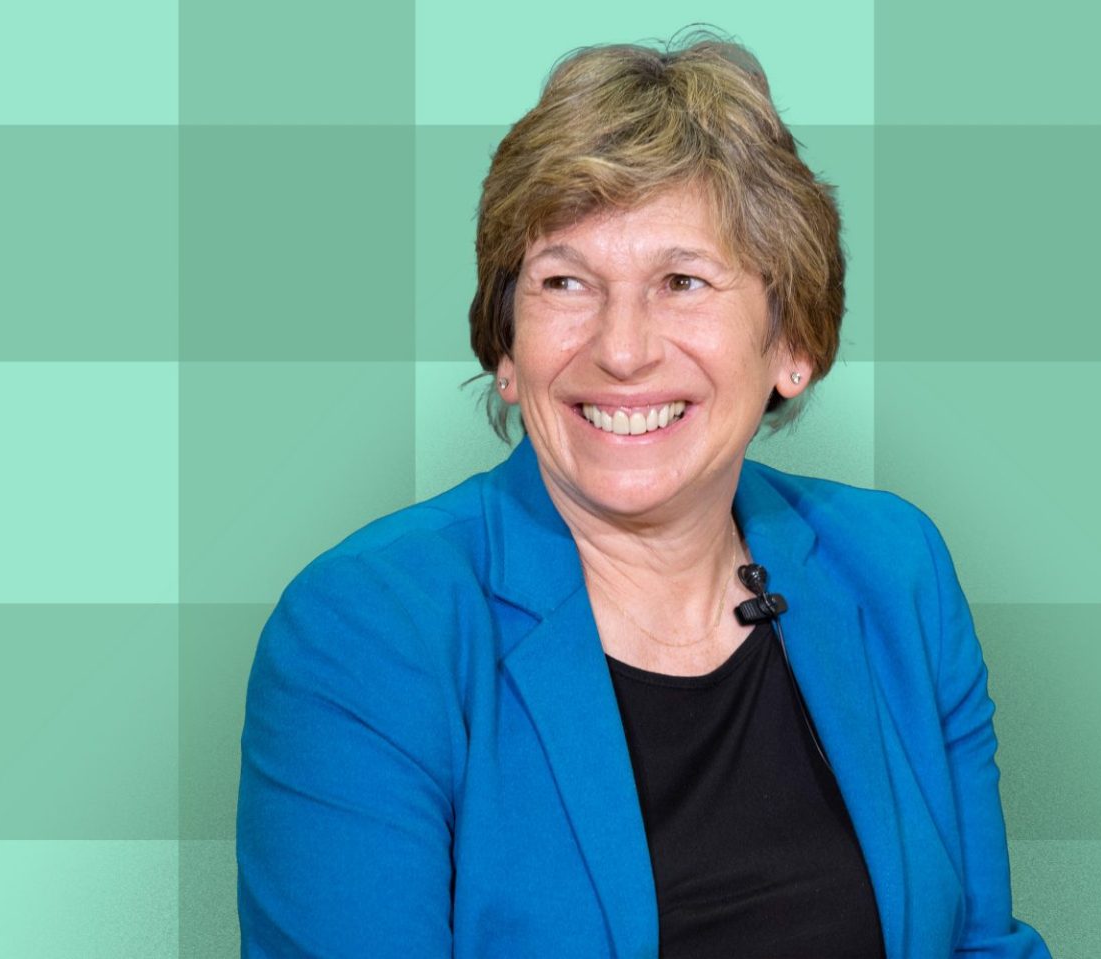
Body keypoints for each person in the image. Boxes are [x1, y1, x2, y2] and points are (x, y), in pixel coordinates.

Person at [237, 31, 1053, 959]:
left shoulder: (895, 568)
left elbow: (982, 945)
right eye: (565, 282)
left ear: (793, 345)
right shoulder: (366, 632)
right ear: (507, 351)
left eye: (681, 280)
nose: (622, 349)